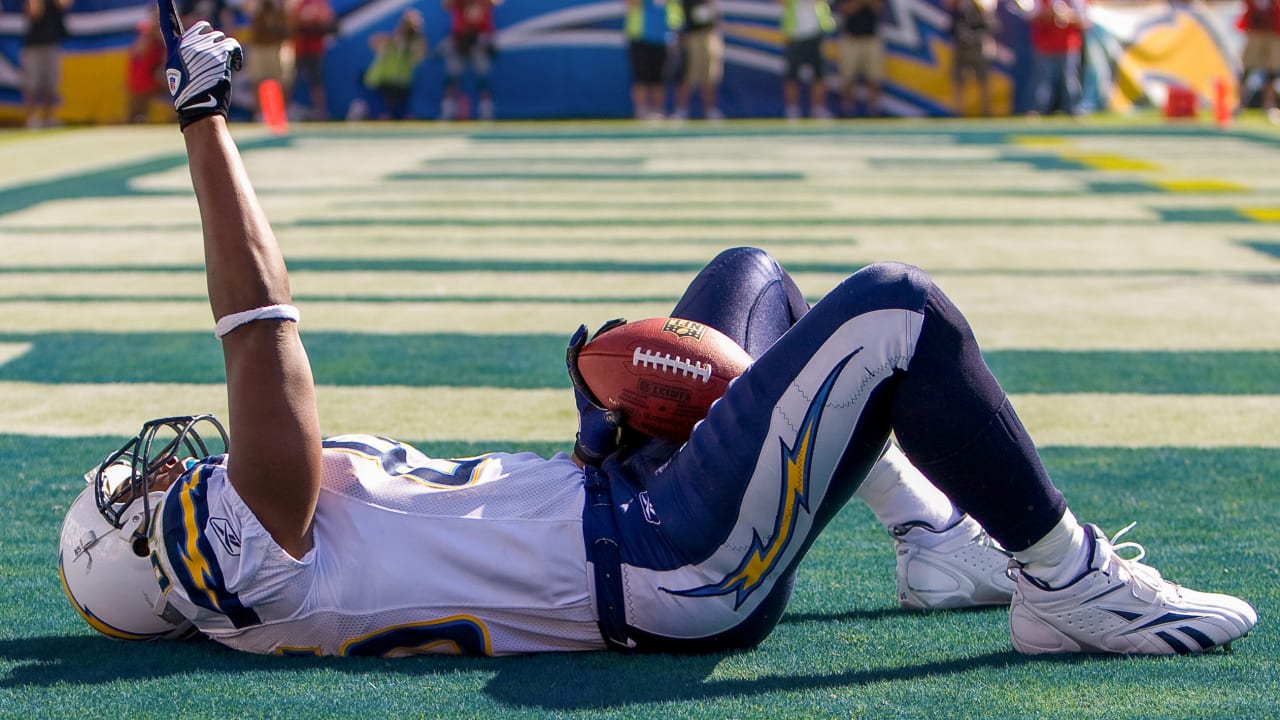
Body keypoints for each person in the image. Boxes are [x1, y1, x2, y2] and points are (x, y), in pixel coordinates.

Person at [58, 17, 1259, 659]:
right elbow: (260, 333)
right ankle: (1065, 584)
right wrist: (204, 125)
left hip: (620, 503)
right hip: (665, 561)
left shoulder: (248, 547)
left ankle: (934, 544)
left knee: (751, 279)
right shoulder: (232, 562)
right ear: (147, 561)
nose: (163, 468)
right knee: (896, 308)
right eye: (137, 491)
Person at [362, 9, 428, 120]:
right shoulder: (391, 40)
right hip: (380, 84)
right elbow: (373, 41)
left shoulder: (415, 44)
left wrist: (417, 37)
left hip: (401, 85)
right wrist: (396, 37)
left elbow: (421, 56)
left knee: (406, 117)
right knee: (383, 115)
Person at [439, 0, 500, 122]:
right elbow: (445, 6)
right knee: (452, 77)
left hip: (479, 39)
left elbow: (495, 3)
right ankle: (448, 110)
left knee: (483, 78)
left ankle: (486, 111)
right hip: (460, 39)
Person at [1026, 0, 1088, 117]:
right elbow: (1030, 16)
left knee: (1070, 81)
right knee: (1042, 83)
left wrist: (1068, 15)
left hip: (1068, 46)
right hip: (1044, 46)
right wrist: (1049, 13)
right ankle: (1039, 110)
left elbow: (1085, 21)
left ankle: (1073, 109)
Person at [777, 0, 836, 119]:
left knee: (819, 73)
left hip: (815, 35)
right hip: (795, 36)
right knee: (792, 74)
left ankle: (818, 108)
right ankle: (792, 109)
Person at [21, 0, 73, 128]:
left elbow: (65, 4)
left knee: (51, 84)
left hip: (52, 43)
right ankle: (31, 118)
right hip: (34, 45)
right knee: (32, 85)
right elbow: (34, 13)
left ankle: (49, 117)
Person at [625, 0, 681, 120]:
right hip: (640, 39)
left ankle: (658, 111)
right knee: (641, 77)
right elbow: (629, 5)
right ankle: (641, 111)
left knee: (659, 78)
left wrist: (674, 33)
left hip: (663, 40)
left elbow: (676, 17)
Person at [671, 0, 724, 121]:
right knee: (687, 75)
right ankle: (681, 110)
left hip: (709, 35)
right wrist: (680, 37)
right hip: (691, 37)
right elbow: (678, 18)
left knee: (710, 76)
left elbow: (714, 14)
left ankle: (710, 109)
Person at [946, 0, 998, 117]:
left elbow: (992, 25)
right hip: (962, 49)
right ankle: (957, 111)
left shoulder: (982, 9)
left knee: (983, 81)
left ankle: (986, 111)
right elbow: (951, 28)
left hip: (977, 49)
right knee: (959, 81)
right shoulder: (958, 11)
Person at [833, 0, 884, 117]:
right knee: (847, 76)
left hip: (871, 38)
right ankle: (847, 108)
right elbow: (843, 10)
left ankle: (875, 108)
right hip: (850, 38)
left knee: (875, 76)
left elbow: (879, 9)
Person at [244, 0, 292, 122]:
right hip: (259, 44)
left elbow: (291, 12)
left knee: (283, 81)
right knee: (257, 81)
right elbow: (248, 9)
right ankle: (259, 114)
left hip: (278, 43)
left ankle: (282, 113)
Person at [287, 0, 335, 120]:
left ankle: (321, 113)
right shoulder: (295, 3)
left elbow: (328, 21)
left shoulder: (318, 3)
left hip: (314, 49)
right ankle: (284, 112)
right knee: (289, 81)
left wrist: (311, 24)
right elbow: (289, 22)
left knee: (316, 82)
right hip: (297, 49)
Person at [1237, 0, 1280, 120]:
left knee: (1273, 70)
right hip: (1255, 29)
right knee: (1247, 69)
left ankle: (1269, 105)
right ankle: (1240, 103)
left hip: (1274, 29)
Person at [125, 9, 168, 124]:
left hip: (162, 73)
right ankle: (136, 117)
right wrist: (150, 34)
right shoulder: (145, 30)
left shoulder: (170, 29)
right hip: (145, 74)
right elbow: (138, 52)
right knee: (139, 74)